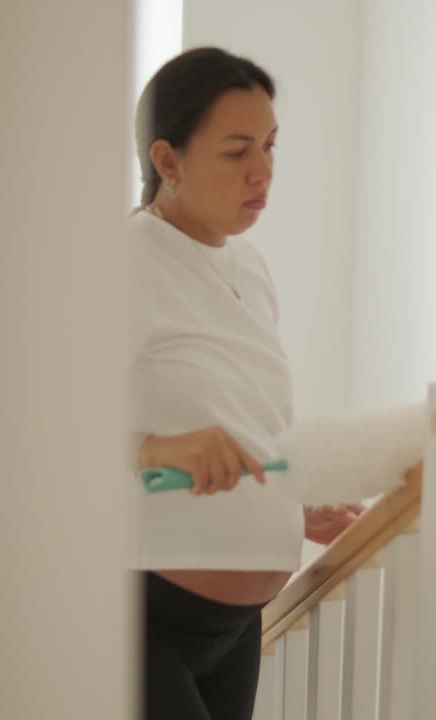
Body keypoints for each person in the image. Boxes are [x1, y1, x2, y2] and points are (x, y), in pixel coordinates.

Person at [127, 47, 362, 719]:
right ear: (168, 160)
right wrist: (156, 449)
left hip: (236, 629)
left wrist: (289, 503)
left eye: (269, 145)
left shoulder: (251, 266)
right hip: (139, 614)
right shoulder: (124, 260)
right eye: (236, 151)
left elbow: (250, 419)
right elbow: (41, 428)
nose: (263, 171)